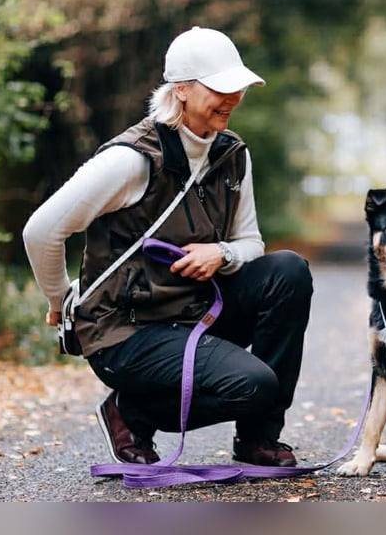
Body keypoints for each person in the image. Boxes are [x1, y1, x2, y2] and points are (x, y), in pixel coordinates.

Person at [23, 26, 313, 467]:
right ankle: (130, 412)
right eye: (220, 87)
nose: (233, 96)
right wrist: (59, 299)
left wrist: (223, 254)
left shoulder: (232, 154)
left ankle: (258, 440)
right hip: (126, 331)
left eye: (238, 85)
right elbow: (41, 230)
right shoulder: (132, 160)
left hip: (191, 312)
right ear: (180, 90)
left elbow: (250, 241)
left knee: (288, 271)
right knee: (256, 384)